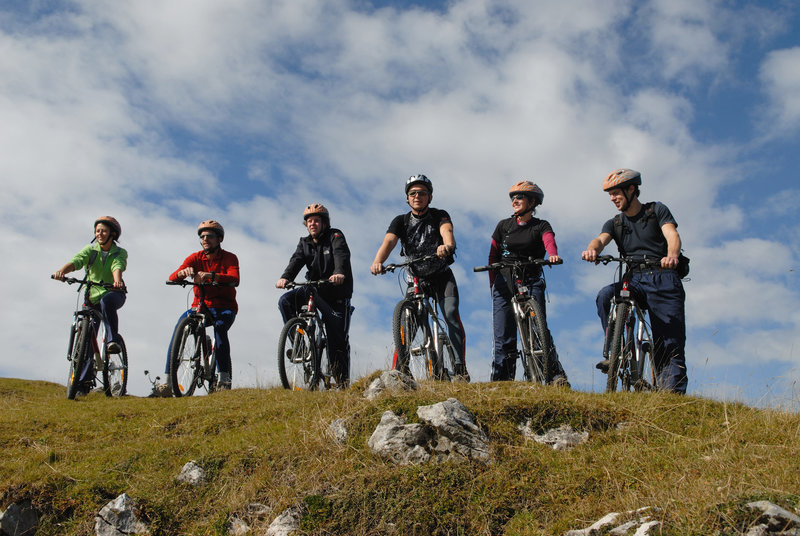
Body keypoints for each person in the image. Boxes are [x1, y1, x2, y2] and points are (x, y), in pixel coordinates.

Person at [581, 168, 687, 393]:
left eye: (616, 193)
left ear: (631, 190)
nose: (612, 198)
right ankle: (615, 350)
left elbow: (672, 235)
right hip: (635, 278)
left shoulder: (656, 210)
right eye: (609, 194)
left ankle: (672, 396)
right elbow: (600, 240)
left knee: (669, 342)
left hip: (663, 276)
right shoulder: (615, 223)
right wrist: (591, 250)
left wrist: (672, 256)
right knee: (605, 295)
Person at [370, 174, 470, 381]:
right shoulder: (401, 221)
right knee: (406, 325)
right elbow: (389, 242)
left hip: (442, 276)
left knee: (450, 315)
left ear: (430, 197)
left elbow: (447, 231)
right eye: (413, 193)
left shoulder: (439, 215)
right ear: (407, 198)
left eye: (422, 193)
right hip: (415, 279)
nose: (417, 196)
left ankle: (460, 367)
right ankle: (400, 371)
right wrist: (377, 261)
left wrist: (447, 246)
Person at [486, 181, 569, 385]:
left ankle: (554, 375)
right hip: (504, 281)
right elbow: (492, 255)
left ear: (532, 202)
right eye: (513, 198)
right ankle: (502, 381)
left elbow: (549, 240)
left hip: (531, 278)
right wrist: (492, 285)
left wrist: (553, 255)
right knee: (503, 334)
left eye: (520, 197)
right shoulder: (503, 226)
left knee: (539, 328)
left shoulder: (541, 225)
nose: (515, 201)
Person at [276, 204, 353, 387]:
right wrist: (285, 278)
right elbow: (296, 261)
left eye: (316, 220)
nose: (312, 224)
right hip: (314, 289)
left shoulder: (335, 236)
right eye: (309, 221)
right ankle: (301, 347)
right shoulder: (304, 243)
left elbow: (341, 254)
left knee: (337, 342)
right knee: (285, 301)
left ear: (324, 223)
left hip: (335, 293)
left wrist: (339, 273)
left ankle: (342, 383)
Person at [53, 216, 128, 392]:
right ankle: (82, 383)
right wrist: (61, 271)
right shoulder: (91, 250)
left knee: (106, 301)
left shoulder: (119, 252)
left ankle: (112, 340)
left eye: (103, 231)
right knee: (87, 337)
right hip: (91, 296)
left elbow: (117, 266)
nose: (99, 234)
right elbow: (77, 261)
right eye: (97, 231)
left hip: (113, 293)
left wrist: (117, 282)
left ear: (112, 234)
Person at [165, 220, 239, 391]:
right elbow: (172, 276)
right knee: (179, 327)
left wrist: (212, 276)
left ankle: (224, 378)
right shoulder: (195, 257)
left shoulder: (229, 257)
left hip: (224, 307)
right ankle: (168, 381)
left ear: (219, 239)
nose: (205, 239)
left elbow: (235, 278)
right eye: (202, 236)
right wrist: (181, 274)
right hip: (200, 306)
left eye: (210, 236)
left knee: (220, 328)